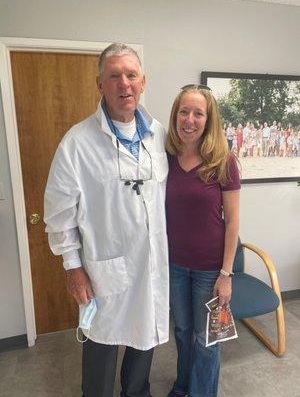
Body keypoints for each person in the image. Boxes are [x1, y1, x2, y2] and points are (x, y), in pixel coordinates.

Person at [44, 43, 169, 397]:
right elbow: (59, 214)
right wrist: (73, 267)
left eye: (131, 75)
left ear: (143, 82)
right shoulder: (77, 142)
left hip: (151, 267)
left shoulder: (159, 135)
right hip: (105, 268)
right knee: (101, 342)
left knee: (144, 339)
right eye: (114, 76)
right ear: (100, 84)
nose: (123, 84)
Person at [165, 84, 240, 397]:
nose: (189, 119)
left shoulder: (224, 161)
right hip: (175, 266)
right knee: (182, 332)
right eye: (184, 111)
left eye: (198, 113)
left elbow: (233, 221)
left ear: (209, 120)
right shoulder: (165, 157)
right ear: (176, 115)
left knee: (206, 339)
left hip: (211, 271)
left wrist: (226, 275)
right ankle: (183, 386)